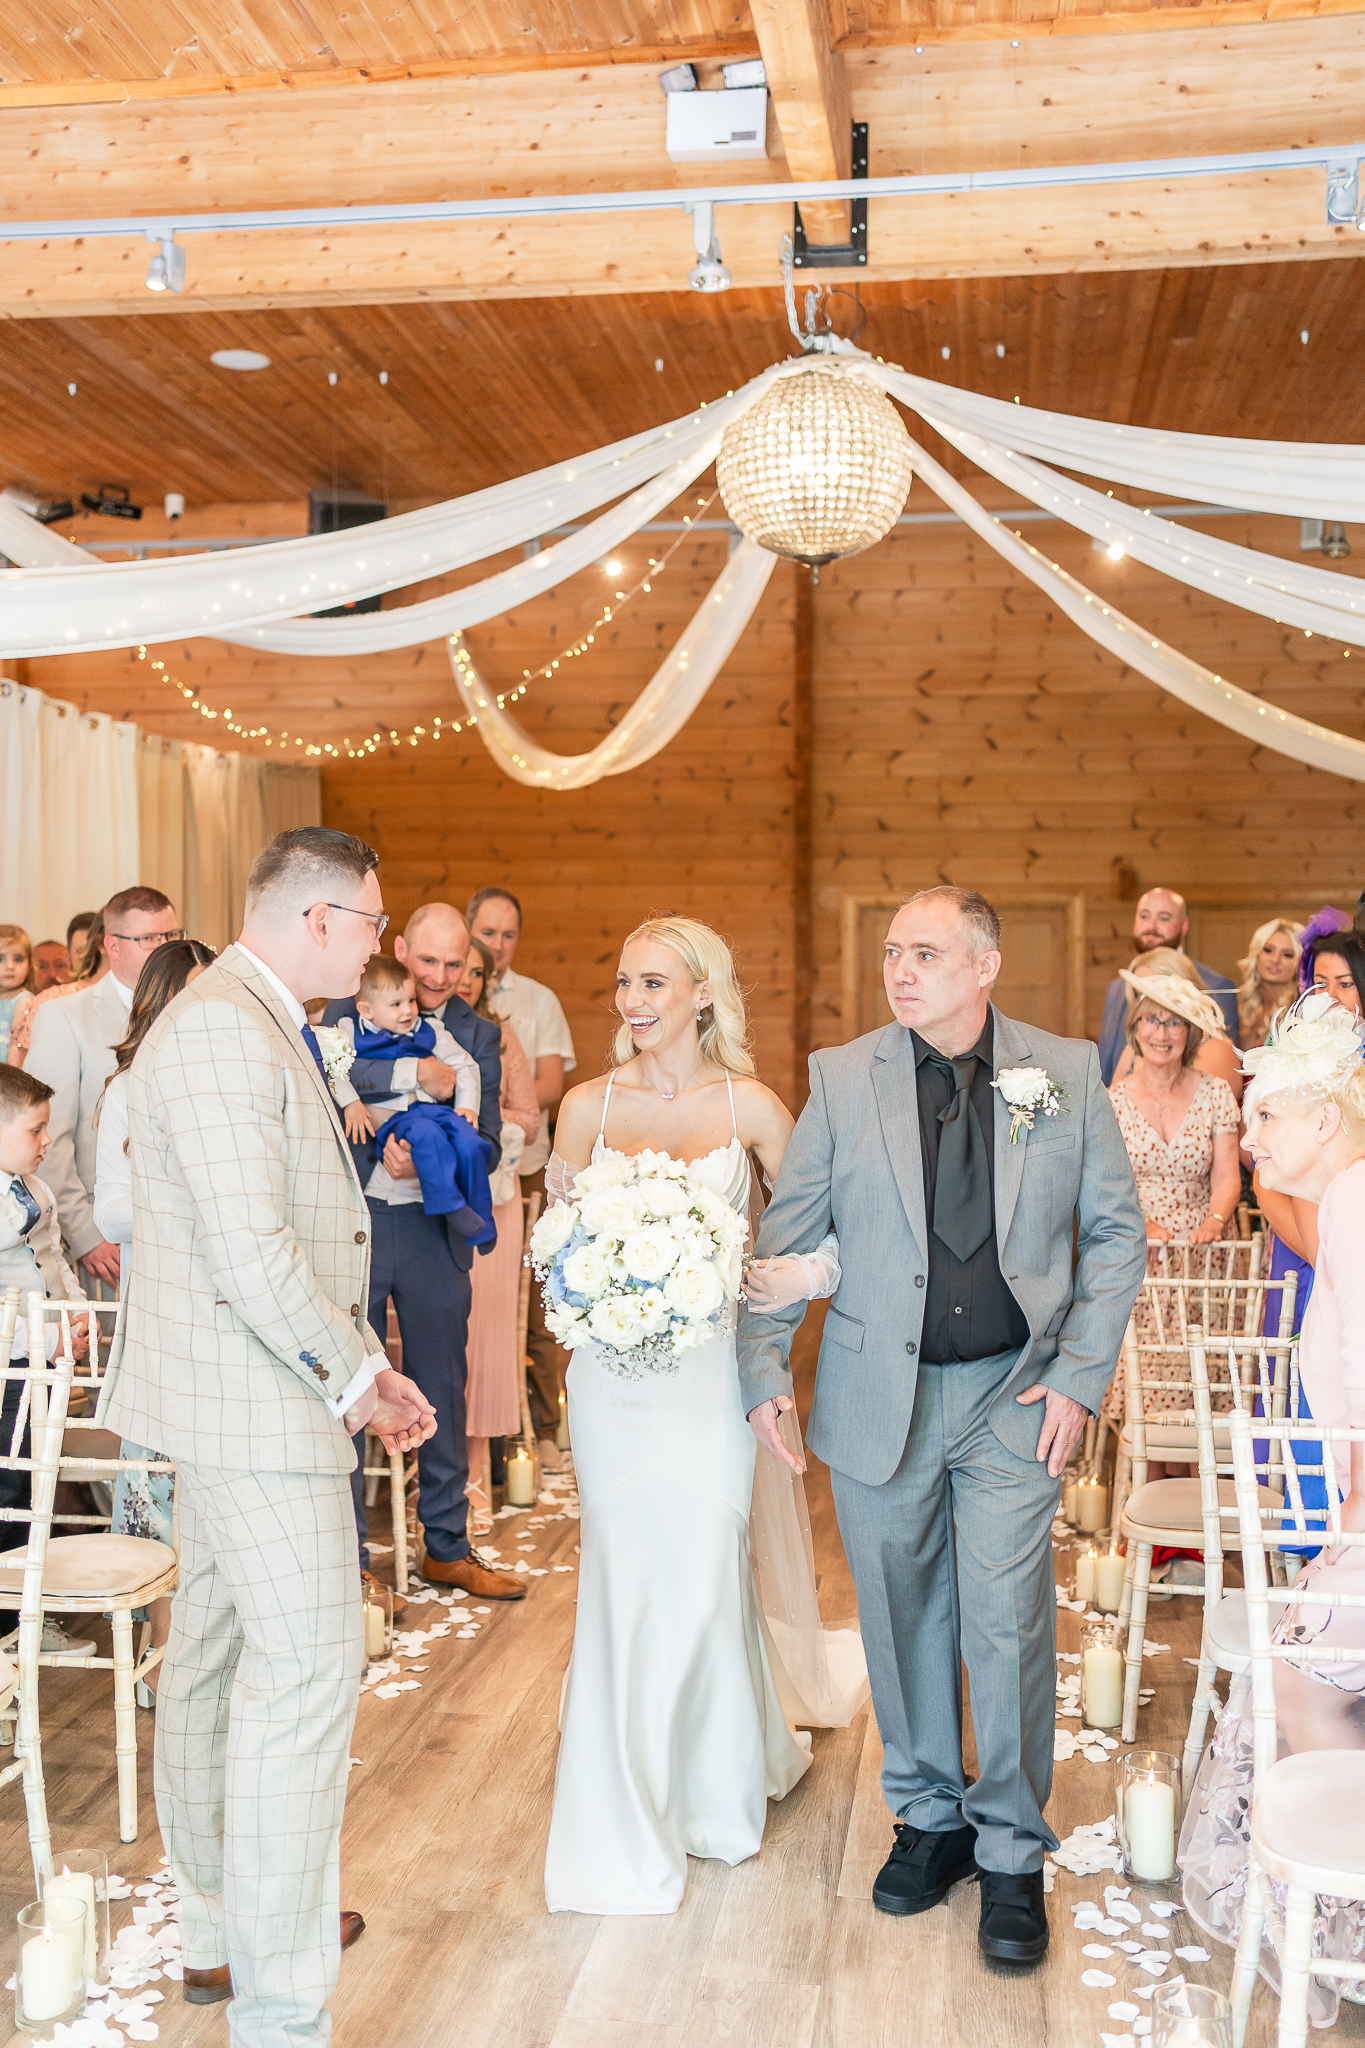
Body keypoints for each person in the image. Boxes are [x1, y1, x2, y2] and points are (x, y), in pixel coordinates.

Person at [738, 887, 1145, 1963]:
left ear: (986, 965)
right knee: (900, 1612)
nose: (900, 969)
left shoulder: (1058, 1072)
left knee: (1006, 1623)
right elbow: (789, 1233)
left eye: (925, 952)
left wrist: (1078, 1376)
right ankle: (929, 1819)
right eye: (890, 950)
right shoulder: (843, 1076)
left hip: (1017, 1393)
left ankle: (1011, 1848)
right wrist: (762, 1364)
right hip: (883, 1395)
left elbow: (1112, 1233)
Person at [95, 826, 438, 2046]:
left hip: (247, 1394)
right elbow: (253, 1253)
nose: (382, 942)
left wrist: (359, 1373)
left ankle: (214, 1926)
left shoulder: (254, 1014)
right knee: (306, 1677)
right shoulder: (222, 1030)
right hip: (257, 1408)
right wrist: (359, 1381)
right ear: (316, 919)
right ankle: (283, 2009)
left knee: (210, 1659)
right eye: (372, 922)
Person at [542, 915, 867, 1917]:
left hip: (708, 1383)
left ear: (703, 994)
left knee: (701, 1572)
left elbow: (832, 1234)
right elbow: (557, 1243)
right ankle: (621, 1804)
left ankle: (715, 1789)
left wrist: (778, 1275)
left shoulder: (757, 1107)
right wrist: (583, 1290)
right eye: (622, 982)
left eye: (653, 982)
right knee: (624, 1575)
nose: (633, 1001)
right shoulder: (586, 1108)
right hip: (611, 1386)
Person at [1180, 992, 1365, 2025]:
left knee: (1300, 1687)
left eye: (1265, 1117)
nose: (1246, 1140)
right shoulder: (1348, 1199)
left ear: (1326, 1119)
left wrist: (1345, 1550)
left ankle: (1330, 1928)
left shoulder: (1353, 1203)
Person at [327, 939, 517, 1603]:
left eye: (451, 965)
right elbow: (327, 1093)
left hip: (432, 1232)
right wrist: (414, 1082)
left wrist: (434, 1135)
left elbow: (486, 1139)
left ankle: (447, 1546)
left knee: (442, 1380)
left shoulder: (476, 1035)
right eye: (426, 965)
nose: (437, 979)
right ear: (406, 955)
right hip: (355, 1225)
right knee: (348, 1388)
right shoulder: (344, 1007)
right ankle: (345, 1562)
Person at [92, 939, 216, 1704]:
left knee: (213, 1487)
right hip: (160, 1311)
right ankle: (165, 1647)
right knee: (160, 1482)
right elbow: (109, 1207)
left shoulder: (228, 1083)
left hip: (224, 1314)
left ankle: (215, 1650)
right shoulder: (127, 1092)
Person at [467, 888, 577, 1469]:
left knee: (534, 1306)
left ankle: (542, 1430)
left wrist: (490, 1107)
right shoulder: (447, 991)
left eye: (509, 935)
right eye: (488, 933)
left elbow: (553, 1086)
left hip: (524, 1168)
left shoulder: (537, 1001)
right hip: (462, 1173)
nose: (498, 946)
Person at [26, 889, 183, 1290]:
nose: (164, 947)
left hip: (185, 1228)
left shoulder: (193, 1008)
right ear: (112, 945)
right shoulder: (66, 1016)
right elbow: (50, 1138)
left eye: (171, 935)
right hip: (106, 1235)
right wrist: (87, 1237)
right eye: (150, 938)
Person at [0, 1063, 95, 1656]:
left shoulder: (34, 1190)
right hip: (8, 1363)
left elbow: (55, 1262)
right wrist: (40, 1339)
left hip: (37, 1365)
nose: (46, 1142)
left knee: (35, 1487)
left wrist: (76, 1317)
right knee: (5, 1491)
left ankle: (26, 1609)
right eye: (36, 1130)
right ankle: (8, 1628)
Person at [457, 938, 539, 1536]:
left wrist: (482, 1126)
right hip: (429, 1202)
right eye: (457, 966)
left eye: (476, 971)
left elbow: (530, 1117)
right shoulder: (410, 1028)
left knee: (483, 1336)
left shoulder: (499, 1036)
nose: (463, 977)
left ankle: (476, 1474)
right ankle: (427, 1472)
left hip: (493, 1198)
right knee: (439, 1336)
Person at [1098, 888, 1239, 1084]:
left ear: (1184, 926)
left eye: (1164, 918)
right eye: (1144, 916)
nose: (1151, 926)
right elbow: (1107, 1064)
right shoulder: (1116, 988)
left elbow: (1224, 1068)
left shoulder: (1214, 985)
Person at [1106, 948, 1244, 1104]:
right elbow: (1109, 1110)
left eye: (1153, 994)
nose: (1145, 1004)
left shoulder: (1218, 1051)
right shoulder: (1138, 1045)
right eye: (1139, 995)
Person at [1236, 918, 1303, 1049]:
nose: (1275, 960)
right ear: (1256, 954)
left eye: (1287, 954)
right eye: (1268, 950)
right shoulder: (1239, 1003)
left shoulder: (1301, 1012)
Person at [0, 927, 36, 1067]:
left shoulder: (23, 1001)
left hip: (8, 1080)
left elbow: (17, 1049)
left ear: (30, 965)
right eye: (0, 959)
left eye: (18, 959)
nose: (10, 966)